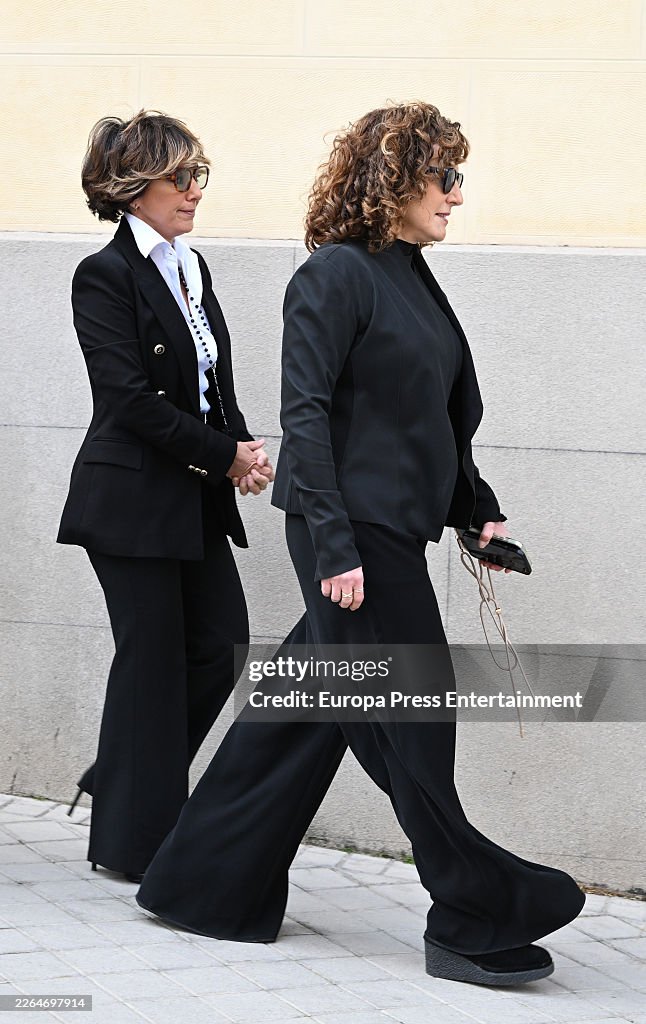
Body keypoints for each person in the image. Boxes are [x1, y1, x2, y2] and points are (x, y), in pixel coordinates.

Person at [136, 102, 585, 985]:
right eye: (444, 177)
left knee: (299, 719)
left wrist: (475, 509)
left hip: (391, 529)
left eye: (459, 177)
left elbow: (425, 415)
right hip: (349, 537)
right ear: (395, 181)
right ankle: (472, 907)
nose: (457, 195)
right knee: (414, 720)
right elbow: (305, 413)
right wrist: (334, 547)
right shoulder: (333, 277)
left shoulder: (410, 274)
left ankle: (199, 886)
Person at [57, 110, 273, 883]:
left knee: (218, 647)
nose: (193, 191)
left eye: (199, 175)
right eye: (179, 177)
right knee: (152, 664)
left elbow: (211, 379)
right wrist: (222, 457)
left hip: (190, 499)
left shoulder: (191, 266)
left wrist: (241, 449)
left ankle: (121, 783)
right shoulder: (104, 275)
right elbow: (130, 401)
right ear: (131, 186)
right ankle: (131, 843)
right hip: (129, 501)